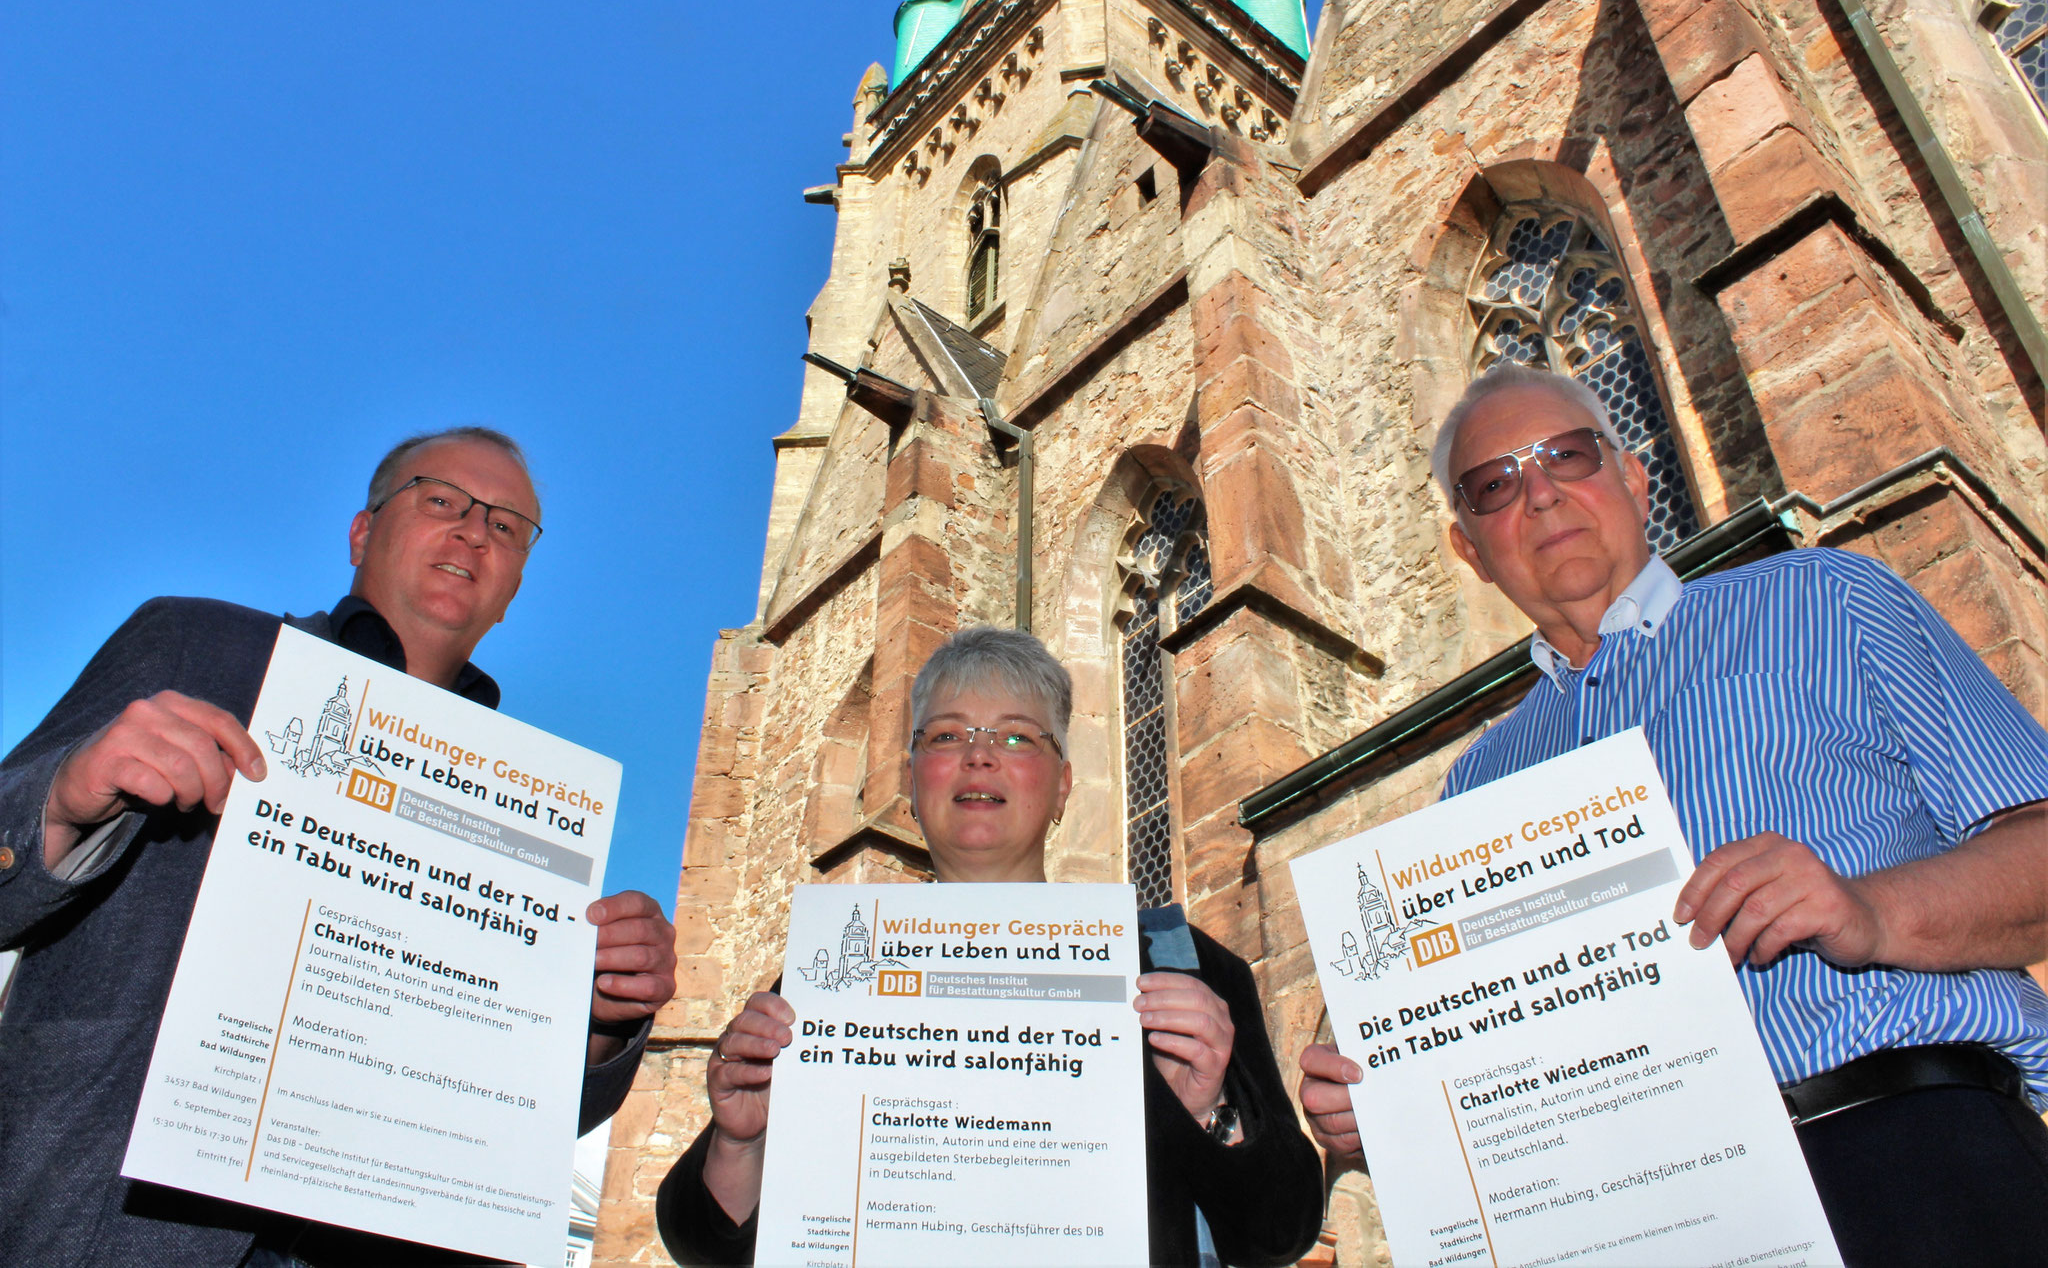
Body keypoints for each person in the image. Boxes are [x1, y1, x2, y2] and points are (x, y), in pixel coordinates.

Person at [1296, 364, 2048, 1266]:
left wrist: (1871, 909)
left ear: (1634, 477)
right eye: (1495, 484)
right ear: (1469, 547)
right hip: (1638, 1223)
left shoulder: (1826, 600)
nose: (1538, 495)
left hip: (1903, 1156)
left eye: (1567, 456)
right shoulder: (1477, 783)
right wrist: (1379, 1106)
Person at [0, 427, 680, 1267]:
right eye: (443, 500)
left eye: (507, 526)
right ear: (363, 533)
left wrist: (602, 1018)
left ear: (512, 589)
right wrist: (65, 795)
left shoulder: (522, 805)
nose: (475, 530)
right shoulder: (196, 645)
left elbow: (510, 1109)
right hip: (108, 1216)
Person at [657, 627, 1323, 1267]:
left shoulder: (1186, 968)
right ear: (913, 781)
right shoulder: (833, 976)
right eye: (947, 735)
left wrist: (1213, 1112)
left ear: (1062, 785)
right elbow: (701, 1242)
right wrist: (741, 1142)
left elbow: (1281, 1231)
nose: (980, 754)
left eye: (1015, 735)